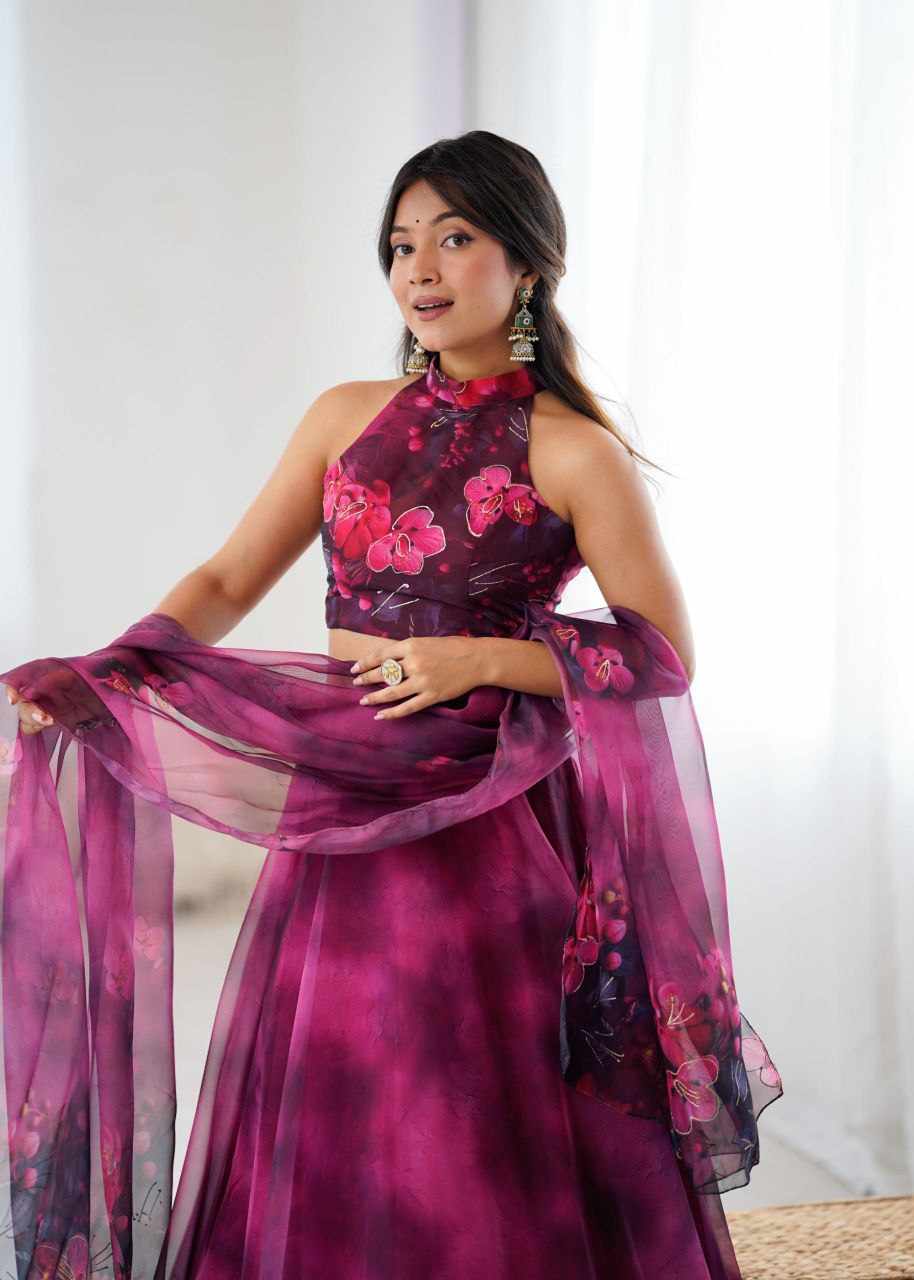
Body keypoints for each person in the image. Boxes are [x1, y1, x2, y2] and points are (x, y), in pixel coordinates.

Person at [1, 131, 781, 1279]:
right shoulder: (345, 418)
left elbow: (660, 653)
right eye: (400, 244)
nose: (419, 267)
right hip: (343, 794)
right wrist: (108, 671)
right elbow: (226, 579)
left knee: (459, 1084)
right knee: (337, 1070)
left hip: (491, 809)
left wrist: (482, 657)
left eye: (453, 239)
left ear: (527, 263)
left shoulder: (573, 451)